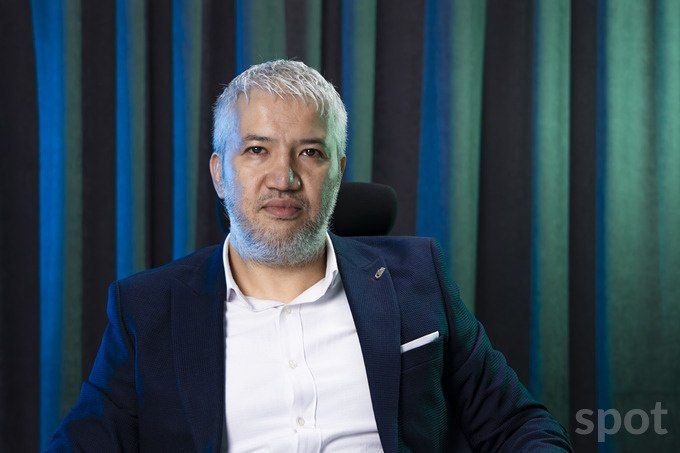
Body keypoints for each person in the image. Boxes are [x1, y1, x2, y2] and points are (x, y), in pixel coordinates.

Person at [49, 60, 573, 452]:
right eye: (257, 150)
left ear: (338, 172)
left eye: (310, 152)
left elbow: (518, 426)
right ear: (219, 172)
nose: (284, 178)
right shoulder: (147, 310)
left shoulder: (417, 278)